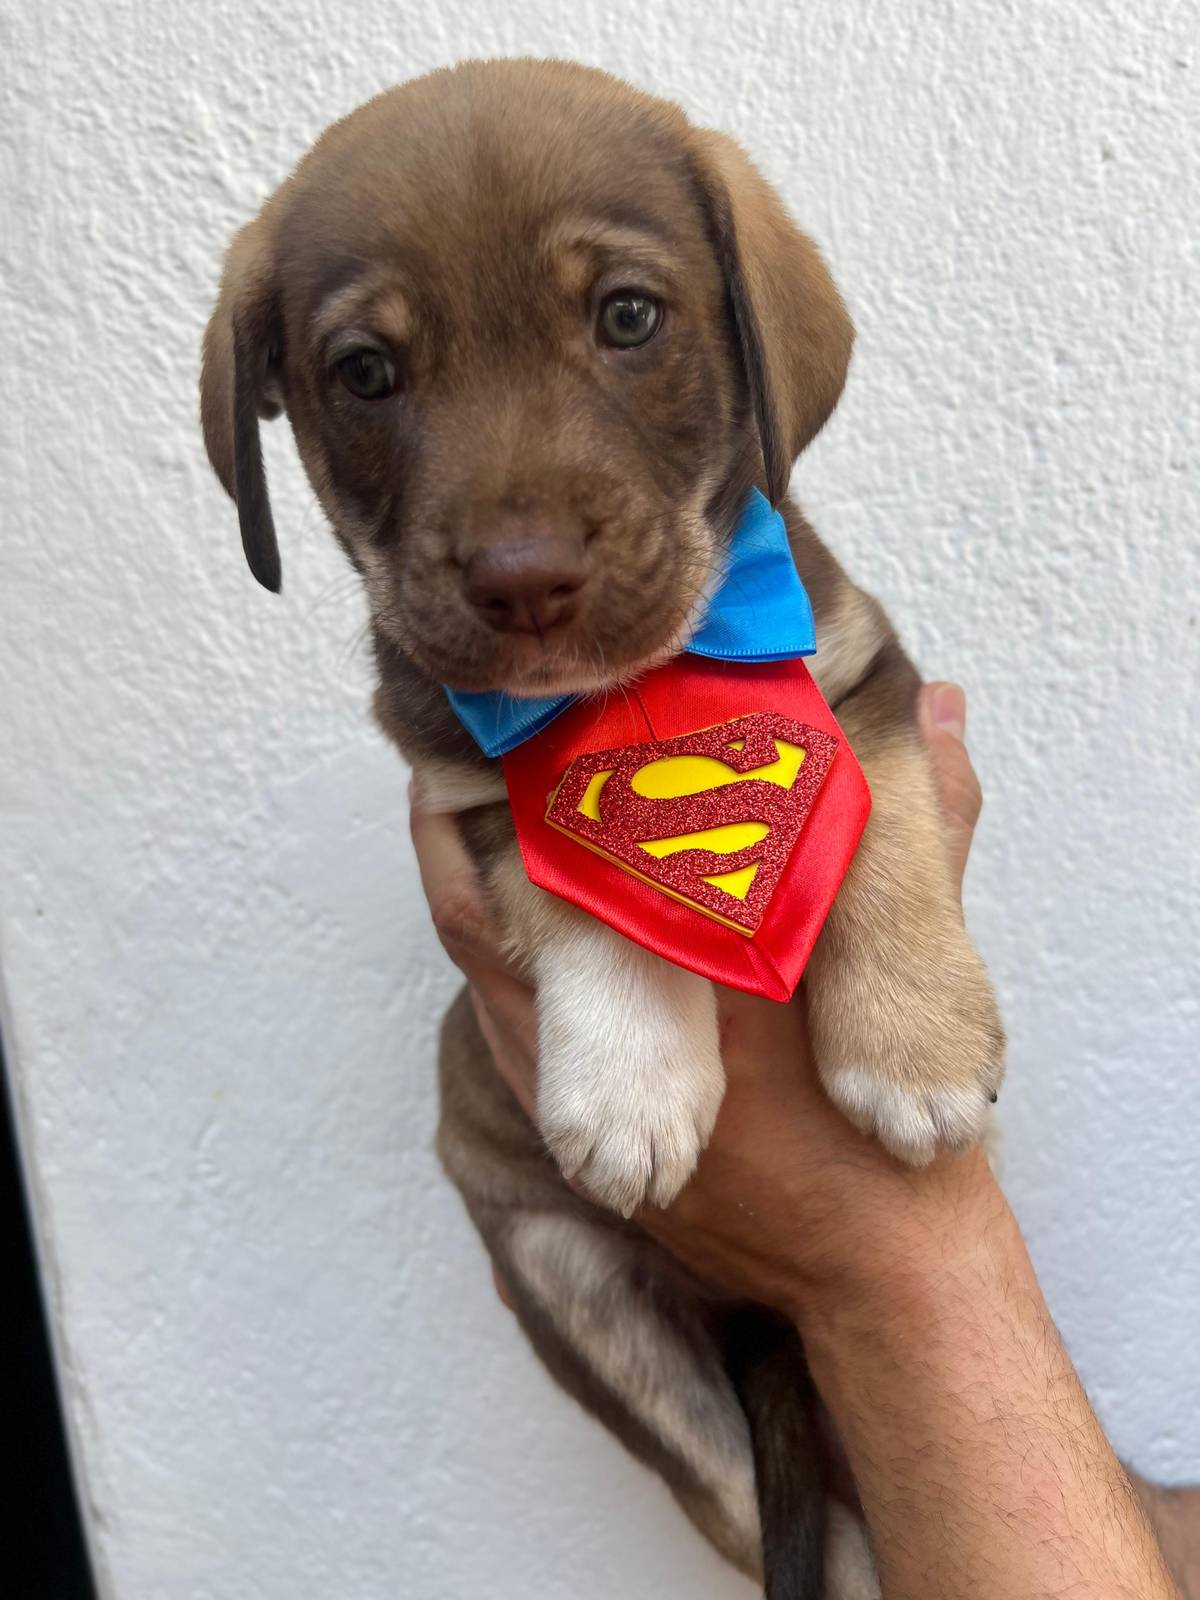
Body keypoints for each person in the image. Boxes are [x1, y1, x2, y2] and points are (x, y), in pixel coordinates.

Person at [412, 683, 1194, 1599]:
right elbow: (475, 800)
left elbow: (866, 716)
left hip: (865, 1217)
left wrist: (886, 1243)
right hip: (592, 1226)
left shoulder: (781, 627)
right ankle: (781, 1539)